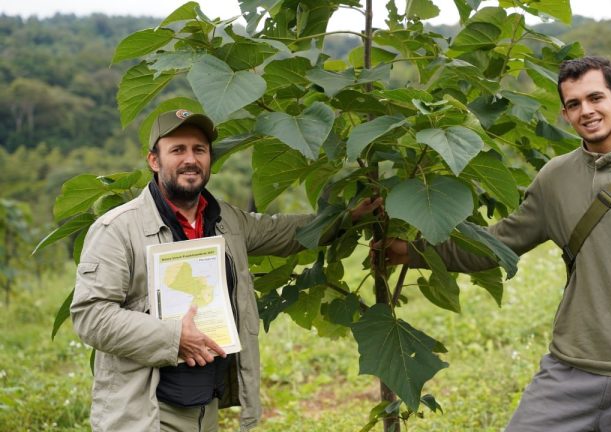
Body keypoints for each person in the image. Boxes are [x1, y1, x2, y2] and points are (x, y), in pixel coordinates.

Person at [382, 56, 611, 432]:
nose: (586, 111)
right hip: (570, 366)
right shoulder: (555, 177)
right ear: (565, 114)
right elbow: (496, 244)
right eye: (574, 104)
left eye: (596, 98)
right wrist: (410, 251)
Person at [71, 109, 380, 432]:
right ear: (154, 161)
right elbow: (91, 315)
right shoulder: (117, 229)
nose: (190, 159)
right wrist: (174, 337)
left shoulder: (225, 220)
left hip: (206, 407)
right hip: (146, 412)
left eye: (199, 150)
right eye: (177, 150)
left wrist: (347, 218)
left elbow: (284, 231)